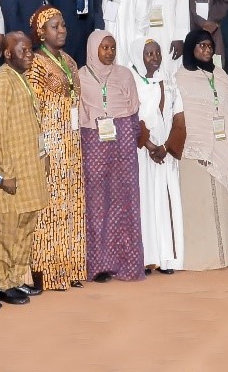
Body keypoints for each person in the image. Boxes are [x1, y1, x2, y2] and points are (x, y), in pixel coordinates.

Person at [174, 28, 228, 270]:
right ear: (190, 48)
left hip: (223, 148)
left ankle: (221, 257)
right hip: (194, 153)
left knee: (219, 206)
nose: (207, 50)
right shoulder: (180, 77)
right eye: (201, 46)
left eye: (210, 46)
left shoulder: (220, 75)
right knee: (198, 208)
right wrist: (198, 145)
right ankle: (198, 260)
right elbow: (184, 115)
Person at [0, 32, 48, 303]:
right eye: (23, 50)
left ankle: (17, 279)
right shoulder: (1, 81)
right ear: (7, 54)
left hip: (29, 169)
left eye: (31, 49)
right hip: (9, 174)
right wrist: (5, 175)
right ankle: (2, 283)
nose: (29, 54)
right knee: (7, 231)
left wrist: (42, 157)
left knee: (24, 227)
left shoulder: (21, 79)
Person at [26, 6, 85, 291]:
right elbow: (31, 108)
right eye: (54, 26)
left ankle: (70, 267)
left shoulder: (71, 61)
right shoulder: (34, 63)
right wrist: (40, 147)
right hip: (49, 142)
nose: (61, 30)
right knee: (49, 206)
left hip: (72, 142)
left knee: (71, 202)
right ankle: (47, 271)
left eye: (63, 25)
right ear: (40, 32)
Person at [78, 30, 144, 281]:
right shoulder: (81, 77)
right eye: (104, 47)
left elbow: (134, 109)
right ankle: (98, 265)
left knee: (124, 201)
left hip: (123, 139)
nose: (109, 52)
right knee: (96, 204)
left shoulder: (125, 74)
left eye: (112, 47)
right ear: (93, 48)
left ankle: (126, 263)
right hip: (94, 141)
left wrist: (130, 133)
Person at [133, 37, 183, 272]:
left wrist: (167, 146)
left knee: (165, 202)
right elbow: (130, 117)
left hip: (165, 152)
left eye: (157, 53)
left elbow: (179, 118)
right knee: (146, 203)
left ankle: (166, 258)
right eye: (148, 54)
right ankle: (145, 258)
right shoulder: (132, 83)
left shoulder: (169, 82)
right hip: (143, 152)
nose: (155, 58)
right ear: (138, 57)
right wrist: (150, 145)